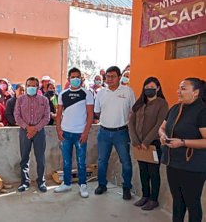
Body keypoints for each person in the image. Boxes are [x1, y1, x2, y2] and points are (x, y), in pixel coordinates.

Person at [158, 78, 206, 222]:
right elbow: (162, 128)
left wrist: (183, 143)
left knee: (192, 203)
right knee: (177, 202)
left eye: (183, 88)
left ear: (196, 92)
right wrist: (163, 136)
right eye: (179, 88)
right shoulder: (175, 108)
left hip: (193, 166)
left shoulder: (202, 112)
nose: (178, 91)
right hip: (174, 163)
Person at [94, 66, 135, 200]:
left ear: (119, 77)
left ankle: (126, 187)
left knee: (126, 162)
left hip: (121, 133)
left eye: (113, 76)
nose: (109, 79)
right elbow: (97, 111)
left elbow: (133, 112)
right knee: (101, 161)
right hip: (104, 132)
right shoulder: (101, 93)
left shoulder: (128, 92)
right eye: (108, 76)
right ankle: (102, 184)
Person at [129, 77, 168, 210]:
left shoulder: (162, 104)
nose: (149, 89)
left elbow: (159, 124)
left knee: (153, 172)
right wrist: (135, 140)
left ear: (157, 88)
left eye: (152, 87)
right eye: (146, 87)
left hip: (153, 145)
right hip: (138, 144)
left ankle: (153, 199)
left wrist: (146, 142)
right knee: (142, 171)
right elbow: (131, 122)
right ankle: (145, 196)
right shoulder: (139, 103)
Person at [54, 67, 94, 198]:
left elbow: (90, 115)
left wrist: (85, 132)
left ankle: (83, 185)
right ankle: (66, 183)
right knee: (66, 161)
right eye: (73, 77)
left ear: (81, 78)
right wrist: (58, 130)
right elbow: (58, 114)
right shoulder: (62, 94)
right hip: (66, 133)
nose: (75, 79)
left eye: (78, 77)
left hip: (80, 134)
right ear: (68, 79)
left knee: (81, 161)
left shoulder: (87, 93)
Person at [14, 77, 50, 193]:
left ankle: (41, 182)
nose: (31, 87)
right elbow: (17, 116)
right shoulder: (20, 100)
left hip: (39, 132)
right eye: (29, 85)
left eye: (33, 85)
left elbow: (47, 117)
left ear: (38, 87)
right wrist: (27, 127)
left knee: (40, 158)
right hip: (24, 131)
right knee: (24, 158)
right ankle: (24, 182)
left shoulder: (44, 100)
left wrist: (35, 128)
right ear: (26, 86)